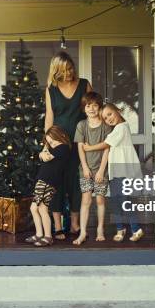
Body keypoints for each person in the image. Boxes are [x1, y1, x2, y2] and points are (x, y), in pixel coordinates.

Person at [44, 51, 92, 240]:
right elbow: (49, 117)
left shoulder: (84, 84)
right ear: (56, 71)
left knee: (76, 183)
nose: (70, 73)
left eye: (71, 68)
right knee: (57, 183)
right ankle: (57, 225)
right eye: (65, 70)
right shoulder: (51, 89)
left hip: (80, 142)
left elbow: (92, 111)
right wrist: (47, 144)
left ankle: (74, 224)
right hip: (58, 143)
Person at [82, 103, 144, 242]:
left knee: (124, 200)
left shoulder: (122, 127)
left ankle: (136, 228)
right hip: (115, 172)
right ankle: (120, 228)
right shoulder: (116, 128)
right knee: (115, 201)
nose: (108, 119)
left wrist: (89, 148)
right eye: (105, 118)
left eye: (110, 114)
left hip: (123, 171)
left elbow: (106, 144)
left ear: (118, 110)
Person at [73, 92, 111, 245]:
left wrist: (101, 170)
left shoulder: (105, 126)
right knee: (86, 200)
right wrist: (85, 167)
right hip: (86, 170)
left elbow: (107, 148)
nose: (92, 109)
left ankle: (100, 229)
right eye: (88, 106)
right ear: (84, 108)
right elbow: (80, 148)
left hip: (101, 169)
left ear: (99, 107)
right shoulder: (81, 125)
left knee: (100, 200)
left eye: (95, 105)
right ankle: (82, 232)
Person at [25, 125, 72, 247]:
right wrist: (44, 150)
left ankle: (47, 236)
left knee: (42, 208)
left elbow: (44, 158)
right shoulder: (53, 148)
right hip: (42, 181)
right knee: (34, 208)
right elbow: (41, 155)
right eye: (49, 141)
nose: (52, 143)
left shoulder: (63, 148)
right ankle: (39, 234)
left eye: (54, 140)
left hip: (48, 182)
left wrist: (44, 151)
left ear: (61, 136)